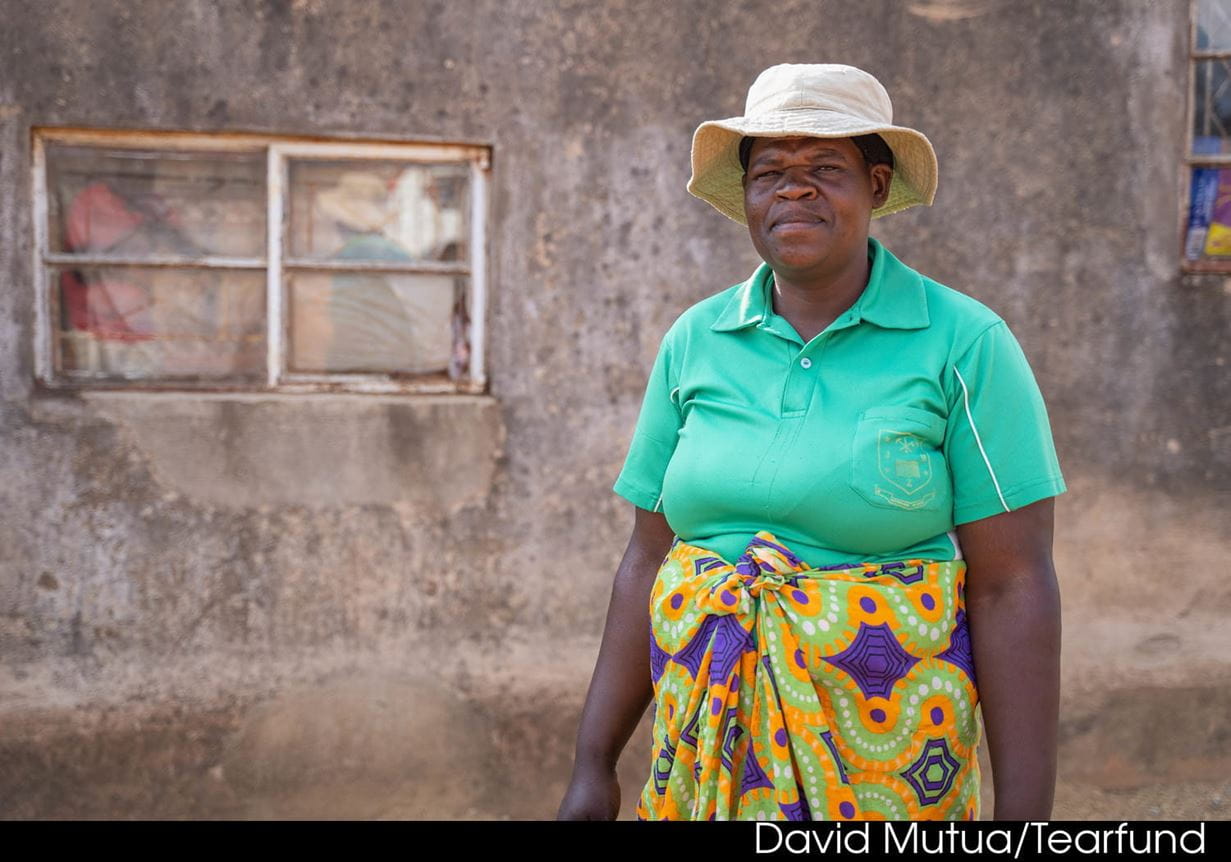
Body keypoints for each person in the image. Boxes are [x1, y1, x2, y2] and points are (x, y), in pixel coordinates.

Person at [557, 63, 1065, 821]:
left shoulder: (963, 343)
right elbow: (647, 558)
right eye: (769, 173)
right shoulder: (696, 340)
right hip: (705, 747)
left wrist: (1023, 819)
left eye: (825, 167)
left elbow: (1011, 584)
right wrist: (592, 766)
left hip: (885, 756)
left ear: (878, 186)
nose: (793, 190)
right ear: (748, 199)